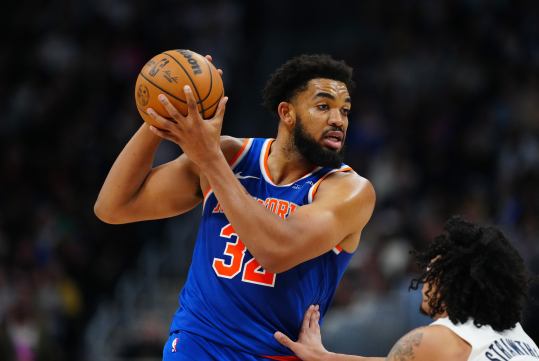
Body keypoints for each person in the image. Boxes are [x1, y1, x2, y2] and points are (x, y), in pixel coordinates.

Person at [94, 54, 376, 360]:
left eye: (344, 111)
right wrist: (163, 114)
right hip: (195, 343)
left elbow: (274, 250)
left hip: (268, 353)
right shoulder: (230, 154)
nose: (339, 120)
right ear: (287, 113)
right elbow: (113, 207)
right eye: (324, 107)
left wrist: (210, 160)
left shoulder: (349, 190)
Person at [274, 216, 539, 361]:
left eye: (432, 272)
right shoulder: (520, 338)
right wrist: (324, 357)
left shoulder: (434, 340)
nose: (424, 280)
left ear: (453, 283)